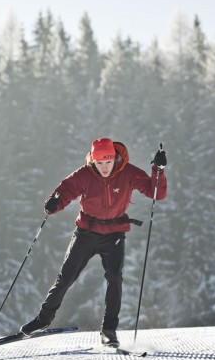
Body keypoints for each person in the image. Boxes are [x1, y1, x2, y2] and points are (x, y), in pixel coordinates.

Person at [20, 138, 167, 347]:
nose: (104, 167)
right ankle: (42, 320)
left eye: (108, 162)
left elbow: (157, 193)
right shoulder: (84, 175)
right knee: (66, 277)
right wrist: (54, 203)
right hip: (86, 232)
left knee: (115, 278)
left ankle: (109, 331)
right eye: (100, 163)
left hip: (114, 233)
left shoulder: (128, 173)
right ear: (92, 161)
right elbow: (65, 191)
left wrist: (157, 169)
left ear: (115, 159)